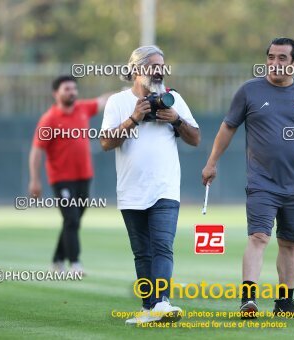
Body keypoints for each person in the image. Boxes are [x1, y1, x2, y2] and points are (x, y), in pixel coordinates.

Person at [202, 37, 294, 318]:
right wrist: (211, 162)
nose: (274, 63)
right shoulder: (250, 91)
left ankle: (285, 303)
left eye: (282, 58)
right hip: (261, 182)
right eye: (271, 57)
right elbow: (227, 128)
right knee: (259, 237)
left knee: (288, 243)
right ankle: (249, 299)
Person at [100, 45, 200, 324]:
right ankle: (149, 308)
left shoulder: (173, 99)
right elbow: (106, 142)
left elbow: (195, 138)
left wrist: (176, 120)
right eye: (153, 65)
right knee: (142, 252)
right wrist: (134, 118)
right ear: (135, 69)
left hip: (165, 187)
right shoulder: (118, 102)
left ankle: (162, 303)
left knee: (162, 245)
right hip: (131, 189)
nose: (159, 71)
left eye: (162, 66)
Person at [29, 75, 110, 274]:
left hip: (84, 176)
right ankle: (74, 263)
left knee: (72, 220)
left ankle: (57, 260)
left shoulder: (83, 108)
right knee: (72, 219)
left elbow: (104, 100)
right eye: (67, 89)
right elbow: (36, 151)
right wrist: (35, 180)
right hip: (61, 179)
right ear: (56, 93)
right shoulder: (49, 119)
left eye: (74, 88)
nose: (72, 92)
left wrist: (131, 90)